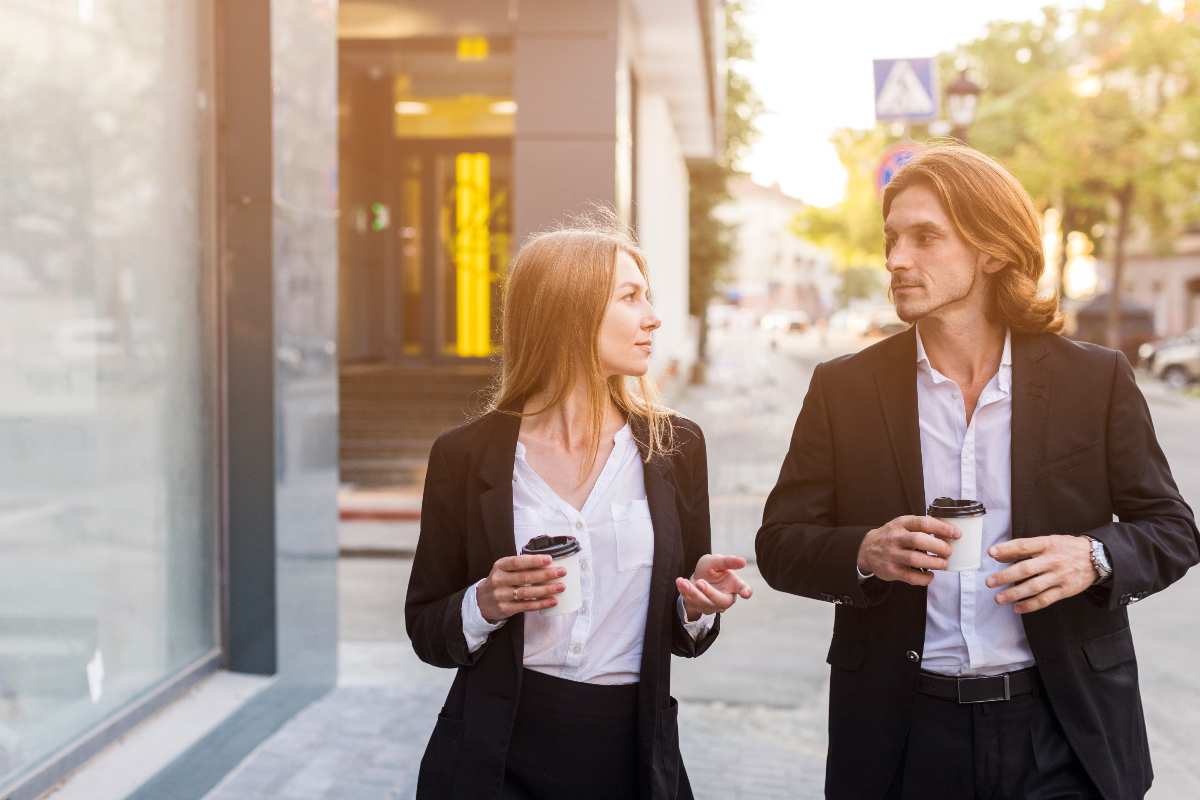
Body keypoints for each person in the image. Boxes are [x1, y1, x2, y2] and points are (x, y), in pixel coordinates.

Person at [755, 144, 1199, 800]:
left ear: (992, 249)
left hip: (1063, 732)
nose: (896, 259)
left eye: (926, 237)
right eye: (892, 238)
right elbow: (780, 544)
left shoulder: (1093, 379)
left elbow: (1172, 531)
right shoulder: (843, 389)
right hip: (901, 734)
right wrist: (864, 552)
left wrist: (1094, 557)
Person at [406, 216, 752, 799]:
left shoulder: (676, 446)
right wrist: (484, 603)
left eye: (649, 296)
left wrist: (698, 605)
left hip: (633, 753)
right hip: (495, 753)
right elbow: (426, 629)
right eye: (630, 297)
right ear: (570, 311)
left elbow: (680, 631)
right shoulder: (465, 455)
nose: (653, 317)